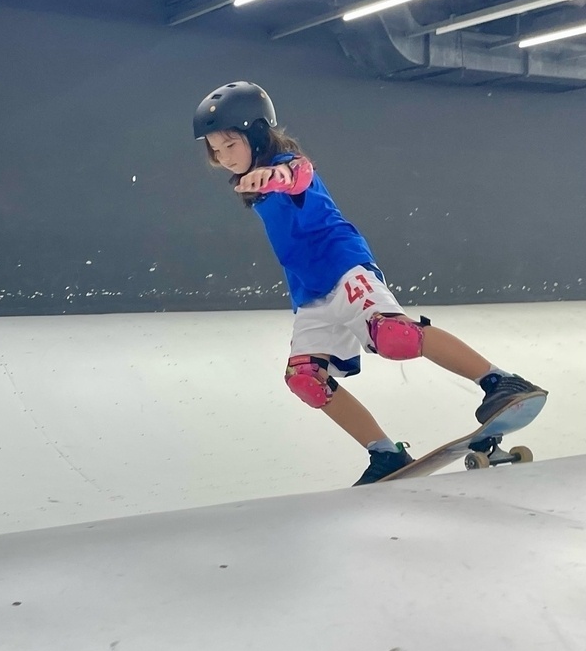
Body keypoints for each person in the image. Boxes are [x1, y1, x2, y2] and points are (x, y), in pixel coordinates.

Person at [193, 80, 547, 485]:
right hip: (310, 293)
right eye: (216, 151)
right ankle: (385, 453)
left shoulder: (287, 167)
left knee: (394, 335)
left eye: (229, 145)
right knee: (306, 379)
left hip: (346, 268)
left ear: (257, 133)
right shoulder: (252, 185)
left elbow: (300, 173)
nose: (223, 158)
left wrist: (275, 174)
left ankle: (500, 381)